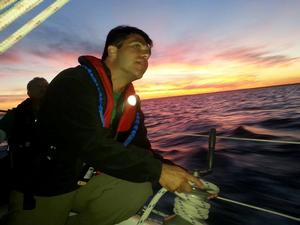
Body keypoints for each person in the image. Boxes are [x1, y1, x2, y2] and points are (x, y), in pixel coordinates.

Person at [5, 26, 205, 225]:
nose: (145, 54)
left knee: (137, 188)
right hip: (44, 184)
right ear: (112, 50)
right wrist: (159, 171)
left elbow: (140, 148)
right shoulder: (74, 81)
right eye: (137, 46)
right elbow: (89, 143)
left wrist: (176, 171)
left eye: (148, 52)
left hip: (83, 181)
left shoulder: (129, 102)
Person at [0, 77, 48, 214]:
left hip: (52, 175)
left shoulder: (60, 112)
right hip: (23, 175)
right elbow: (2, 132)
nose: (43, 88)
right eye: (38, 86)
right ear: (29, 92)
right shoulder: (16, 114)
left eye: (45, 86)